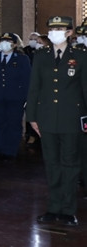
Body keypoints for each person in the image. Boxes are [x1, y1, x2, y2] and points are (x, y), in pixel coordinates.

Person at [28, 16, 86, 227]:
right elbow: (34, 87)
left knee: (70, 164)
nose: (55, 32)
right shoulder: (41, 55)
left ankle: (68, 210)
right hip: (46, 119)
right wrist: (32, 116)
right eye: (52, 29)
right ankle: (53, 207)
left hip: (71, 119)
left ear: (70, 32)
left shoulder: (80, 55)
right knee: (52, 164)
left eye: (60, 29)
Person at [0, 32, 31, 160]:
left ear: (15, 44)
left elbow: (27, 79)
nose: (4, 44)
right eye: (2, 41)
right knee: (0, 123)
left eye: (8, 41)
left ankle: (11, 150)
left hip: (16, 97)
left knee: (14, 123)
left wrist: (26, 97)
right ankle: (2, 148)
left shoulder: (22, 59)